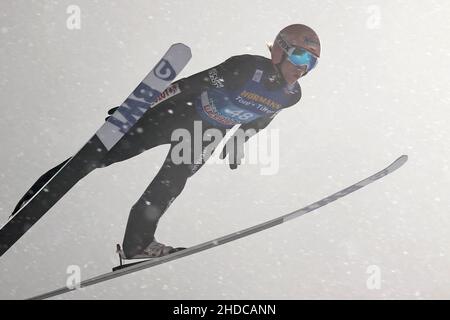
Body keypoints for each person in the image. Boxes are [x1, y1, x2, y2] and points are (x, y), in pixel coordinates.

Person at [11, 24, 321, 259]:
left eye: (312, 62)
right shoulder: (246, 67)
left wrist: (240, 140)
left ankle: (137, 244)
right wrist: (140, 105)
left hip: (206, 134)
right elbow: (189, 83)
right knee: (105, 154)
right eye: (299, 55)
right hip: (180, 113)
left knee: (171, 184)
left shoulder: (291, 96)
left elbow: (262, 117)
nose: (303, 66)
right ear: (279, 50)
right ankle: (36, 196)